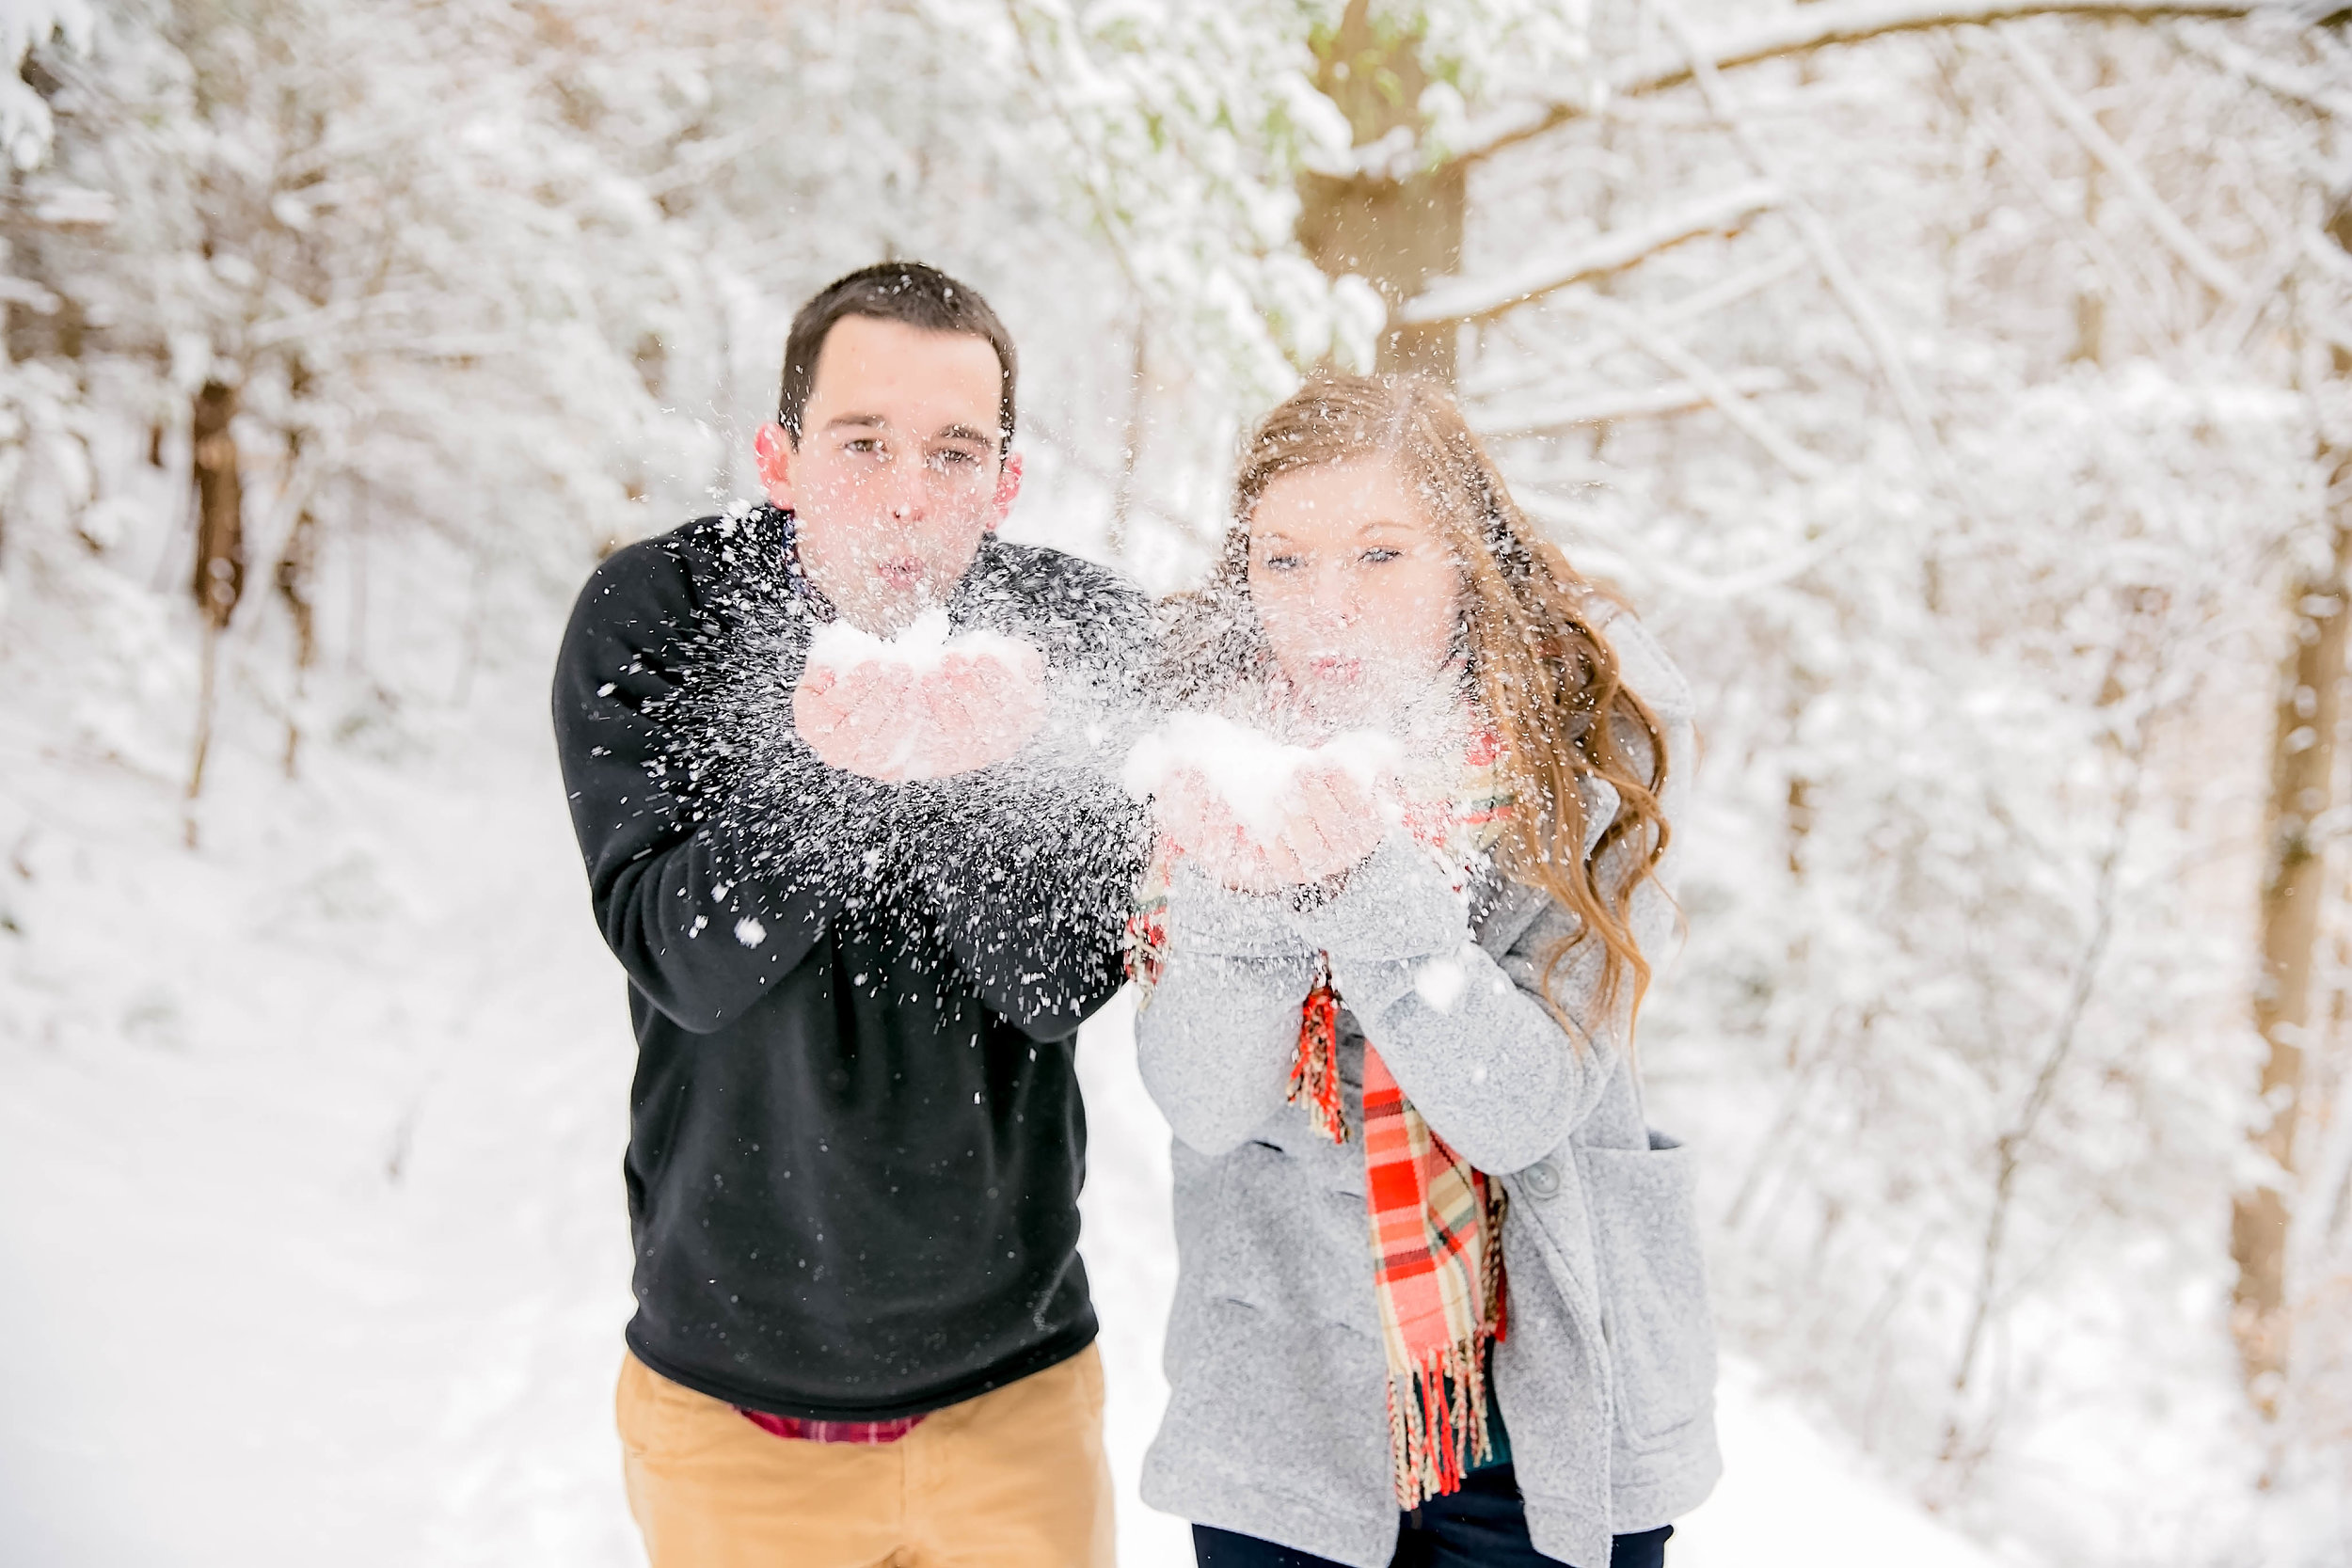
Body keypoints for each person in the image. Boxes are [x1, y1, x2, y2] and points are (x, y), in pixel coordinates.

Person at [551, 261, 1144, 1568]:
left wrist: (969, 765)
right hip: (729, 1402)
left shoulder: (1079, 631)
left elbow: (1056, 980)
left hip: (1018, 1388)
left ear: (1007, 481)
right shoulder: (662, 616)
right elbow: (680, 956)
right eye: (862, 441)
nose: (907, 494)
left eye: (954, 451)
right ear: (779, 453)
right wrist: (835, 774)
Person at [1125, 372, 1719, 1568]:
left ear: (1468, 555)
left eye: (1379, 554)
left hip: (1544, 1413)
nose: (1325, 607)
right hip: (1282, 1412)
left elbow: (1520, 1107)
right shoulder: (1214, 741)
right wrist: (1247, 892)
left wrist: (1355, 886)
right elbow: (1203, 1098)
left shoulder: (1593, 746)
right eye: (1283, 561)